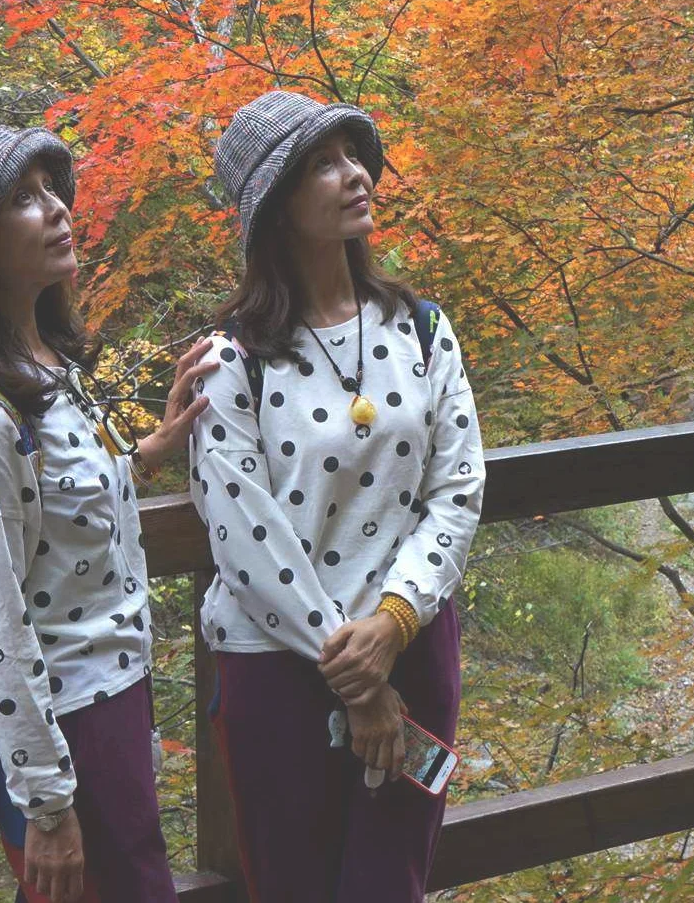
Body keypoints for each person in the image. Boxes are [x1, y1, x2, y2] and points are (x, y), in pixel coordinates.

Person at [0, 121, 208, 903]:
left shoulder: (46, 369)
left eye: (52, 191)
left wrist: (148, 451)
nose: (59, 210)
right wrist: (47, 805)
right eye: (23, 200)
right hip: (62, 728)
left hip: (107, 703)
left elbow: (56, 509)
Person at [189, 89, 486, 903]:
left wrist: (390, 627)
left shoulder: (423, 330)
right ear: (276, 208)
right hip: (278, 669)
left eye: (353, 154)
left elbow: (457, 490)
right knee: (295, 885)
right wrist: (357, 677)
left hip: (414, 644)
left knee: (391, 885)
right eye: (322, 164)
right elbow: (244, 538)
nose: (355, 174)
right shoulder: (233, 361)